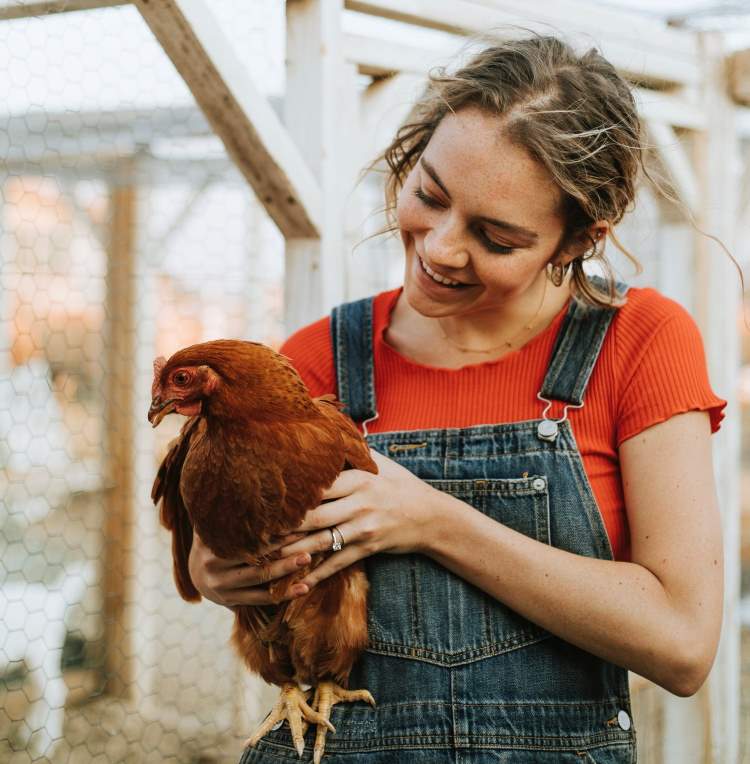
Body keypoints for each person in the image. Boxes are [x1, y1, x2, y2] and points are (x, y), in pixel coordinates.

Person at [189, 35, 726, 762]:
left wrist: (434, 521)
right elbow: (209, 564)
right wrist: (219, 571)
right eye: (430, 195)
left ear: (576, 241)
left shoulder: (641, 342)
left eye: (495, 236)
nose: (440, 247)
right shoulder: (318, 359)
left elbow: (683, 645)